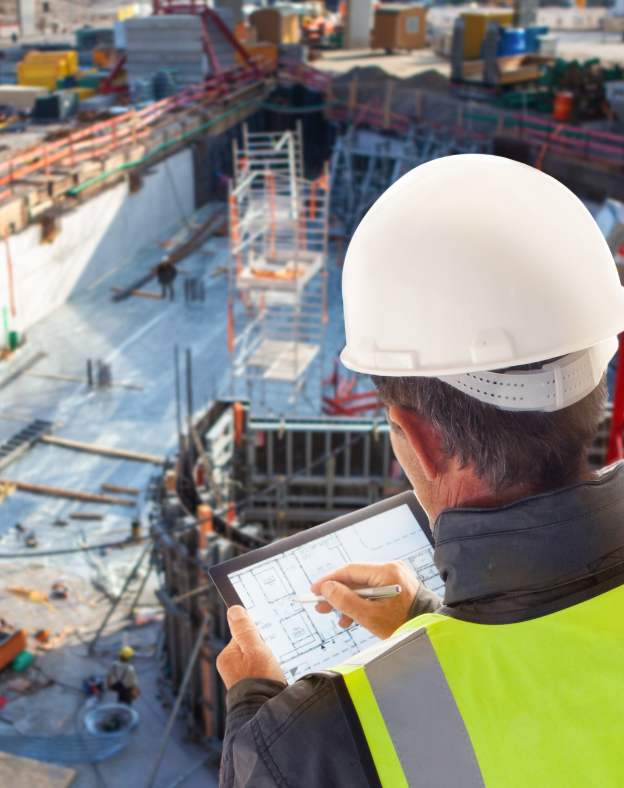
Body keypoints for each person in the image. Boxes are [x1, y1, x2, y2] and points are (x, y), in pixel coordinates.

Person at [216, 154, 624, 786]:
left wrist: (255, 718)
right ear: (596, 376)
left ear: (420, 443)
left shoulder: (320, 740)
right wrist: (425, 623)